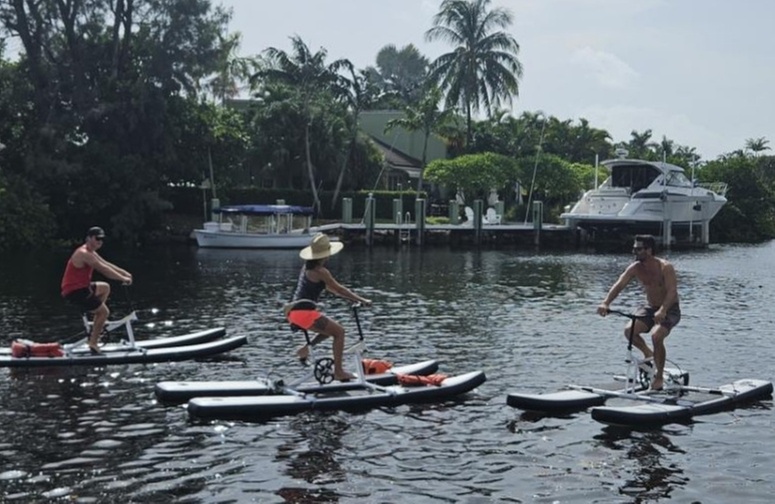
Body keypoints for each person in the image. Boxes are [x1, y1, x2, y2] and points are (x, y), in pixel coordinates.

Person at [596, 234, 681, 391]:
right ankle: (649, 354)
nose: (634, 252)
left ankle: (659, 377)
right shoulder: (635, 268)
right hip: (650, 308)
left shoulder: (665, 267)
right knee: (629, 331)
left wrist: (663, 310)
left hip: (669, 309)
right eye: (634, 248)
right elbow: (619, 284)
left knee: (657, 335)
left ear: (649, 250)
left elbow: (672, 292)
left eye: (638, 249)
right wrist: (606, 302)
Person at [285, 233, 372, 382]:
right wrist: (362, 300)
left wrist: (350, 299)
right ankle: (338, 372)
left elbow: (332, 289)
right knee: (340, 332)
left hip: (294, 312)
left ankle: (305, 349)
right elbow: (340, 289)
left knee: (328, 332)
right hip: (304, 312)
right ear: (323, 255)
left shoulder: (307, 268)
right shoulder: (321, 271)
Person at [61, 227, 133, 354]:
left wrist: (125, 273)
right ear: (88, 238)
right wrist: (123, 279)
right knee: (104, 312)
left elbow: (106, 264)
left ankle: (97, 325)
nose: (100, 241)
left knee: (105, 287)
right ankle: (93, 343)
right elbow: (103, 270)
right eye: (97, 238)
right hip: (75, 292)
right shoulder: (84, 253)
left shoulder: (91, 252)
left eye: (102, 239)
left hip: (82, 287)